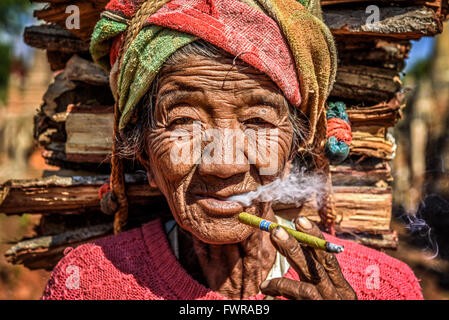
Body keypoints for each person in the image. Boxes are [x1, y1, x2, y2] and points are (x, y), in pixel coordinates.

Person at [42, 0, 423, 300]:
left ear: (293, 148)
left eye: (258, 122)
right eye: (184, 122)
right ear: (143, 152)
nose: (223, 165)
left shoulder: (382, 289)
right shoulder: (89, 285)